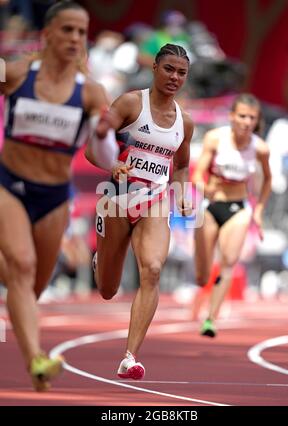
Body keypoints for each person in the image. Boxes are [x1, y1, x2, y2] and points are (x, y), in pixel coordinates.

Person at [0, 0, 118, 391]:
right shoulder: (15, 73)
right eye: (67, 29)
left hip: (53, 196)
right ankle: (37, 361)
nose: (75, 37)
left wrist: (102, 135)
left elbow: (107, 159)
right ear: (47, 34)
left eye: (81, 32)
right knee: (21, 263)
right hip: (10, 185)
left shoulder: (91, 93)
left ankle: (28, 343)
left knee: (33, 285)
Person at [86, 43, 194, 380]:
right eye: (169, 69)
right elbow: (93, 146)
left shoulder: (184, 123)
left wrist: (182, 193)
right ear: (155, 69)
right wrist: (114, 162)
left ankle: (130, 357)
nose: (175, 77)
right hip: (118, 197)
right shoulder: (132, 103)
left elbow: (181, 166)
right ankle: (101, 261)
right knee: (107, 289)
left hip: (155, 201)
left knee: (153, 269)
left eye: (181, 73)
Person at [192, 93, 272, 337]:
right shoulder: (215, 139)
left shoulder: (260, 148)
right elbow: (197, 175)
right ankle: (201, 291)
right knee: (202, 273)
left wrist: (258, 210)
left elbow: (268, 179)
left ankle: (211, 320)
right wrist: (205, 188)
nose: (246, 122)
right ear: (232, 117)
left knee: (228, 262)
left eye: (252, 118)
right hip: (211, 205)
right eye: (242, 116)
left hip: (238, 208)